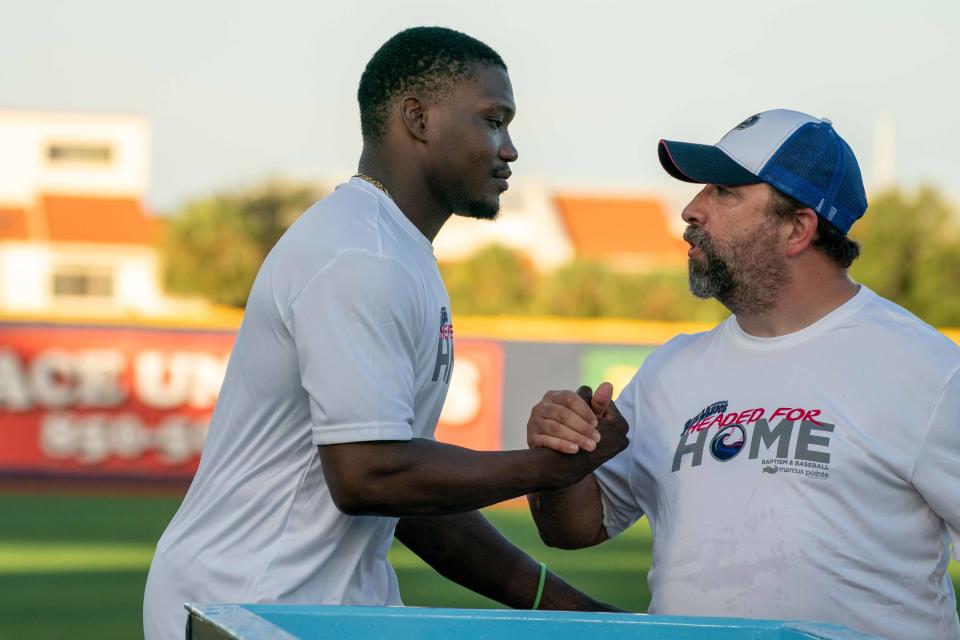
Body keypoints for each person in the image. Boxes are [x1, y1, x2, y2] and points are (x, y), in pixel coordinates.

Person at [144, 27, 627, 640]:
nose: (509, 149)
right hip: (245, 607)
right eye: (492, 120)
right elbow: (369, 474)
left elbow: (409, 501)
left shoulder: (394, 248)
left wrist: (568, 609)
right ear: (417, 118)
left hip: (311, 607)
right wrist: (542, 469)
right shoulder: (360, 253)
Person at [526, 109, 960, 639]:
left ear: (798, 227)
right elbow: (576, 527)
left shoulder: (929, 371)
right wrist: (561, 454)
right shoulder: (671, 370)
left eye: (724, 191)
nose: (690, 209)